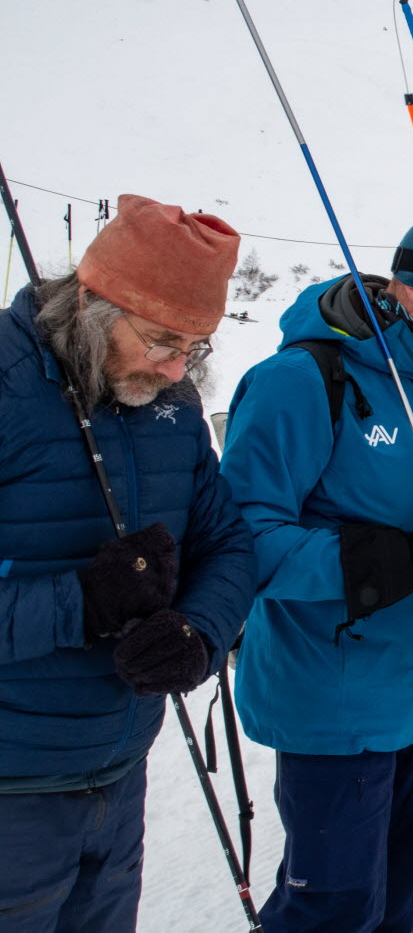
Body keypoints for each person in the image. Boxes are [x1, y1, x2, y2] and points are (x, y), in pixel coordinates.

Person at [221, 195, 413, 933]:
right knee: (331, 912)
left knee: (405, 902)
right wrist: (405, 556)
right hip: (332, 705)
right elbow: (242, 541)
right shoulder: (304, 379)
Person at [0, 195, 256, 932]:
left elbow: (228, 542)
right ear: (92, 306)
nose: (178, 367)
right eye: (162, 341)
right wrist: (81, 602)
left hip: (119, 771)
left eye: (195, 347)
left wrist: (198, 633)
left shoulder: (169, 406)